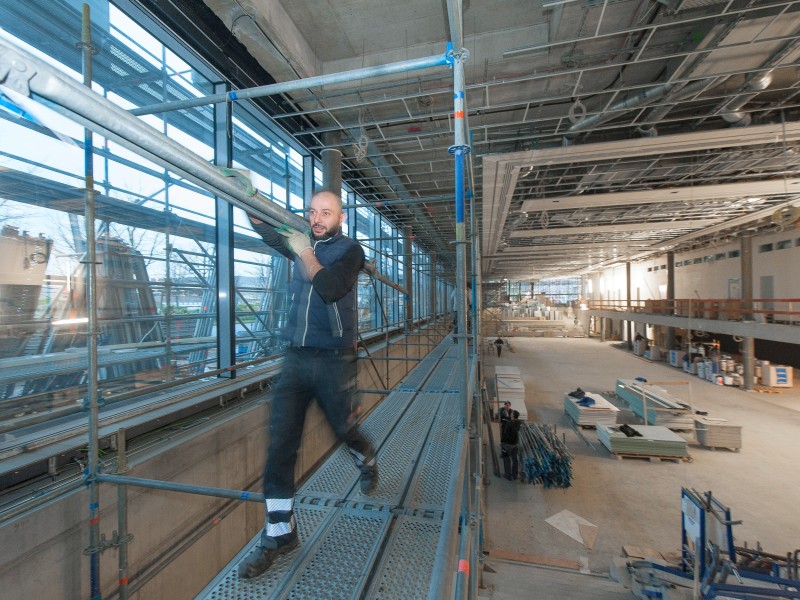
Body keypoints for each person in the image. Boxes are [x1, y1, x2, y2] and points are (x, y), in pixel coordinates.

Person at [238, 189, 377, 579]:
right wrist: (249, 199)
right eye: (312, 211)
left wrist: (304, 252)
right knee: (281, 444)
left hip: (334, 359)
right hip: (296, 358)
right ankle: (280, 533)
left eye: (326, 213)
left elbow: (332, 288)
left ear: (341, 217)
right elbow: (268, 233)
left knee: (344, 429)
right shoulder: (302, 243)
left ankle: (366, 459)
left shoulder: (352, 252)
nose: (316, 218)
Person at [500, 409, 521, 481]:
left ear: (513, 415)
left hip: (508, 444)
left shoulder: (509, 423)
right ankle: (515, 475)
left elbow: (505, 433)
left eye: (511, 413)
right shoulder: (519, 422)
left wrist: (502, 441)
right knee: (515, 460)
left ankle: (508, 475)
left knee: (506, 459)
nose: (511, 414)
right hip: (515, 444)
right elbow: (513, 421)